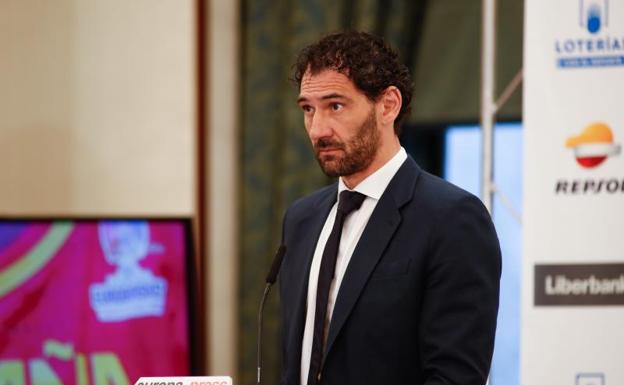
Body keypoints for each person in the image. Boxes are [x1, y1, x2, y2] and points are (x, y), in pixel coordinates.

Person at [278, 31, 501, 385]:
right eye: (308, 109)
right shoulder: (301, 219)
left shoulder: (453, 218)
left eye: (335, 105)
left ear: (388, 105)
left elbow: (454, 376)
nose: (318, 129)